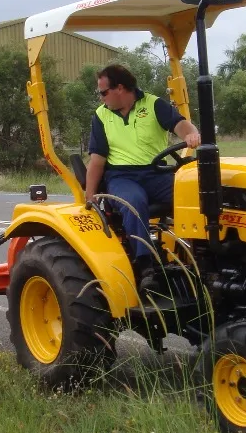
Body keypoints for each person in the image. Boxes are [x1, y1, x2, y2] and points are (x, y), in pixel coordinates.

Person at [84, 64, 201, 290]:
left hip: (156, 173)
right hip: (121, 177)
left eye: (103, 93)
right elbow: (97, 160)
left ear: (120, 88)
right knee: (133, 202)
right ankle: (145, 266)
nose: (101, 98)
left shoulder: (154, 104)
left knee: (193, 193)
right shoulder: (101, 116)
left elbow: (181, 126)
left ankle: (199, 255)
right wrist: (89, 196)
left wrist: (192, 134)